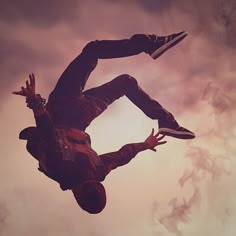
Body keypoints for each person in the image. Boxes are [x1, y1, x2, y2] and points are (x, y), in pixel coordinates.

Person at [13, 32, 195, 214]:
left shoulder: (98, 173)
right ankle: (150, 47)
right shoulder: (61, 169)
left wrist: (145, 145)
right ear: (77, 196)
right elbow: (48, 134)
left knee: (125, 81)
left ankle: (165, 118)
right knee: (95, 54)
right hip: (65, 109)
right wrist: (35, 103)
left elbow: (120, 157)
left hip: (79, 114)